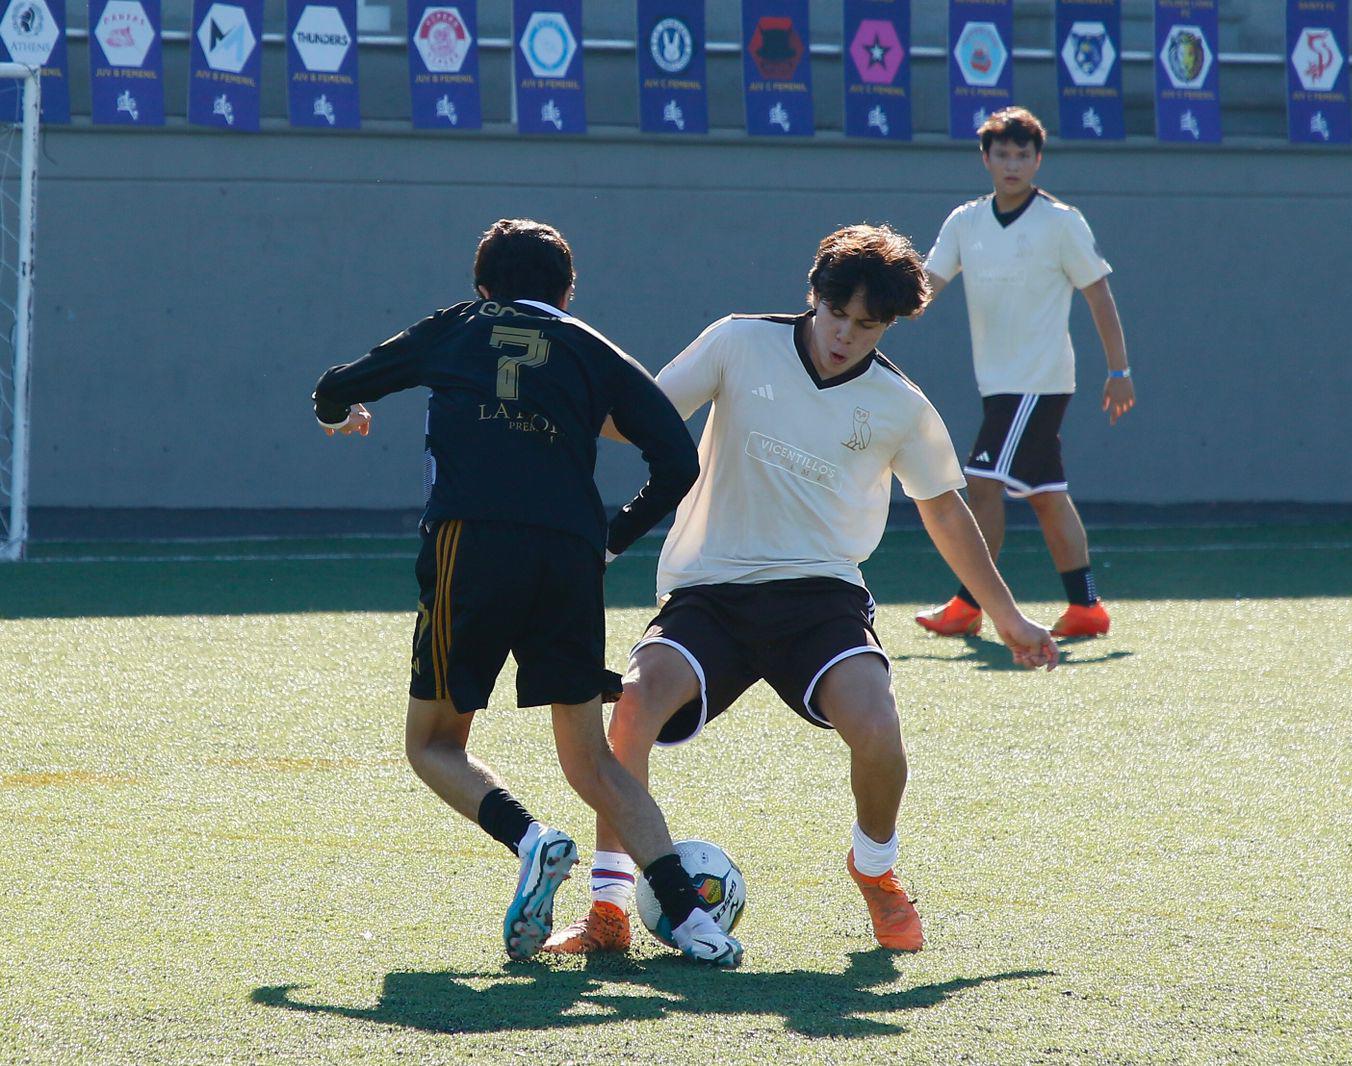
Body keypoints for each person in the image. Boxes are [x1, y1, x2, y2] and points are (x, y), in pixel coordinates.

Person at [541, 224, 1058, 957]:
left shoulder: (900, 405)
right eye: (835, 313)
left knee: (878, 728)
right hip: (709, 589)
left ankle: (875, 870)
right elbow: (641, 419)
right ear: (812, 294)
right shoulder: (738, 341)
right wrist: (547, 402)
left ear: (891, 324)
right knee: (633, 707)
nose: (845, 335)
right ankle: (609, 908)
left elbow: (945, 509)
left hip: (821, 597)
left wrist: (1006, 615)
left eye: (867, 325)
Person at [311, 218, 742, 967]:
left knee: (432, 743)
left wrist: (340, 416)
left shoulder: (458, 326)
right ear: (568, 293)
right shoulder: (593, 347)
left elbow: (335, 386)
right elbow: (677, 460)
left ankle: (530, 838)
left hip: (472, 544)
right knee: (593, 762)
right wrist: (610, 539)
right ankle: (692, 919)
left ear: (483, 287)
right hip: (568, 558)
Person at [913, 106, 1134, 642]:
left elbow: (1098, 294)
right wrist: (873, 309)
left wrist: (1119, 369)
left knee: (982, 483)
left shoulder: (1061, 222)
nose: (1012, 164)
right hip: (998, 385)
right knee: (1046, 494)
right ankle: (1086, 607)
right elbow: (925, 286)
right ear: (985, 158)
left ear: (1038, 160)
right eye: (1002, 154)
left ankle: (969, 603)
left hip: (1038, 382)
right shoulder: (965, 221)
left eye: (1022, 154)